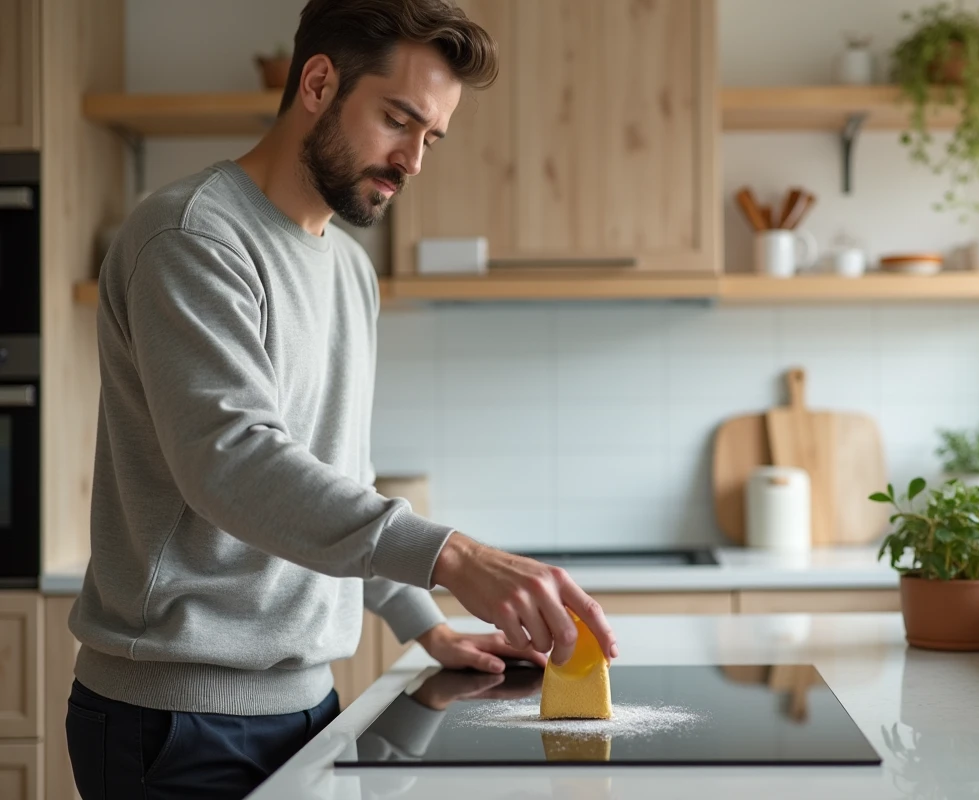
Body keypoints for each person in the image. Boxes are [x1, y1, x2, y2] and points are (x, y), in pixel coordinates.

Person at [63, 1, 617, 797]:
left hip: (311, 705)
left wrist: (424, 624)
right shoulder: (192, 238)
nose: (415, 159)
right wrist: (453, 557)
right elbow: (231, 463)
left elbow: (336, 483)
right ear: (318, 83)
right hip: (174, 720)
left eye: (431, 137)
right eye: (400, 120)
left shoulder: (351, 271)